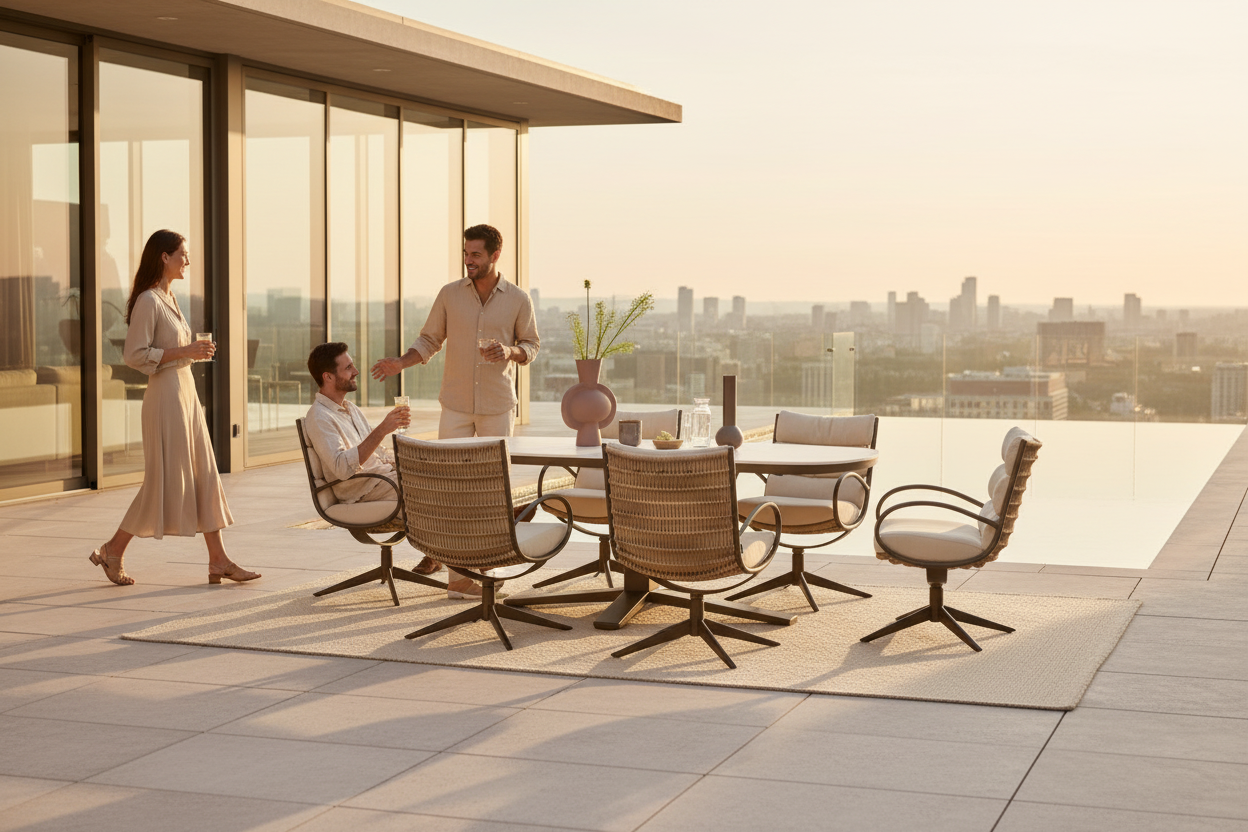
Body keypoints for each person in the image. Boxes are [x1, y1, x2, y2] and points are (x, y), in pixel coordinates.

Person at [89, 230, 260, 586]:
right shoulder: (149, 301)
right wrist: (185, 352)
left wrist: (191, 352)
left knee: (205, 476)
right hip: (165, 399)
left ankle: (218, 560)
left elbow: (171, 350)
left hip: (186, 395)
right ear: (164, 257)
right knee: (162, 483)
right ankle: (112, 550)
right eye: (183, 254)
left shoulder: (170, 297)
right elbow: (134, 355)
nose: (188, 260)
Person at [370, 224, 539, 584]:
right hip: (456, 404)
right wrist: (400, 362)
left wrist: (509, 351)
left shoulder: (518, 299)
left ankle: (486, 559)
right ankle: (437, 554)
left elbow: (532, 345)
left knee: (491, 484)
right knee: (445, 482)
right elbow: (430, 339)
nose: (468, 260)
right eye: (465, 253)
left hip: (497, 406)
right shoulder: (449, 294)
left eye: (476, 254)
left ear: (495, 255)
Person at [303, 343, 487, 600]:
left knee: (453, 479)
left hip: (382, 479)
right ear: (328, 377)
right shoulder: (320, 417)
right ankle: (465, 574)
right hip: (363, 490)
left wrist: (407, 462)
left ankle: (472, 561)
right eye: (348, 367)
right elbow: (342, 469)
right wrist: (382, 429)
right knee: (445, 495)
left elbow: (377, 455)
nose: (356, 371)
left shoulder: (350, 409)